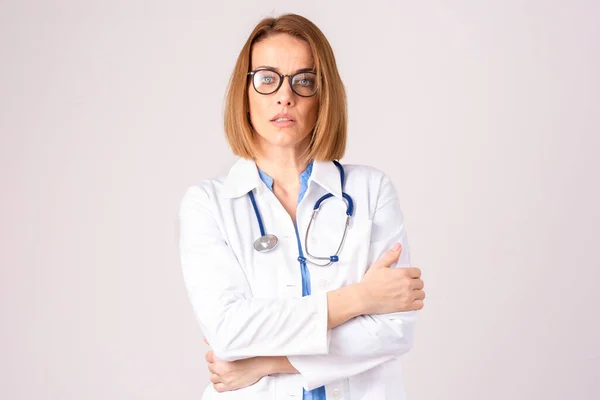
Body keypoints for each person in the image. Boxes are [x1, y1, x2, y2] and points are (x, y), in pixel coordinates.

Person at [179, 13, 426, 400]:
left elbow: (393, 330)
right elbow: (228, 330)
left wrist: (264, 363)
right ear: (244, 93)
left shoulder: (371, 191)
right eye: (266, 78)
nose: (285, 95)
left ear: (323, 95)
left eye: (304, 81)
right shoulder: (208, 205)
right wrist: (360, 299)